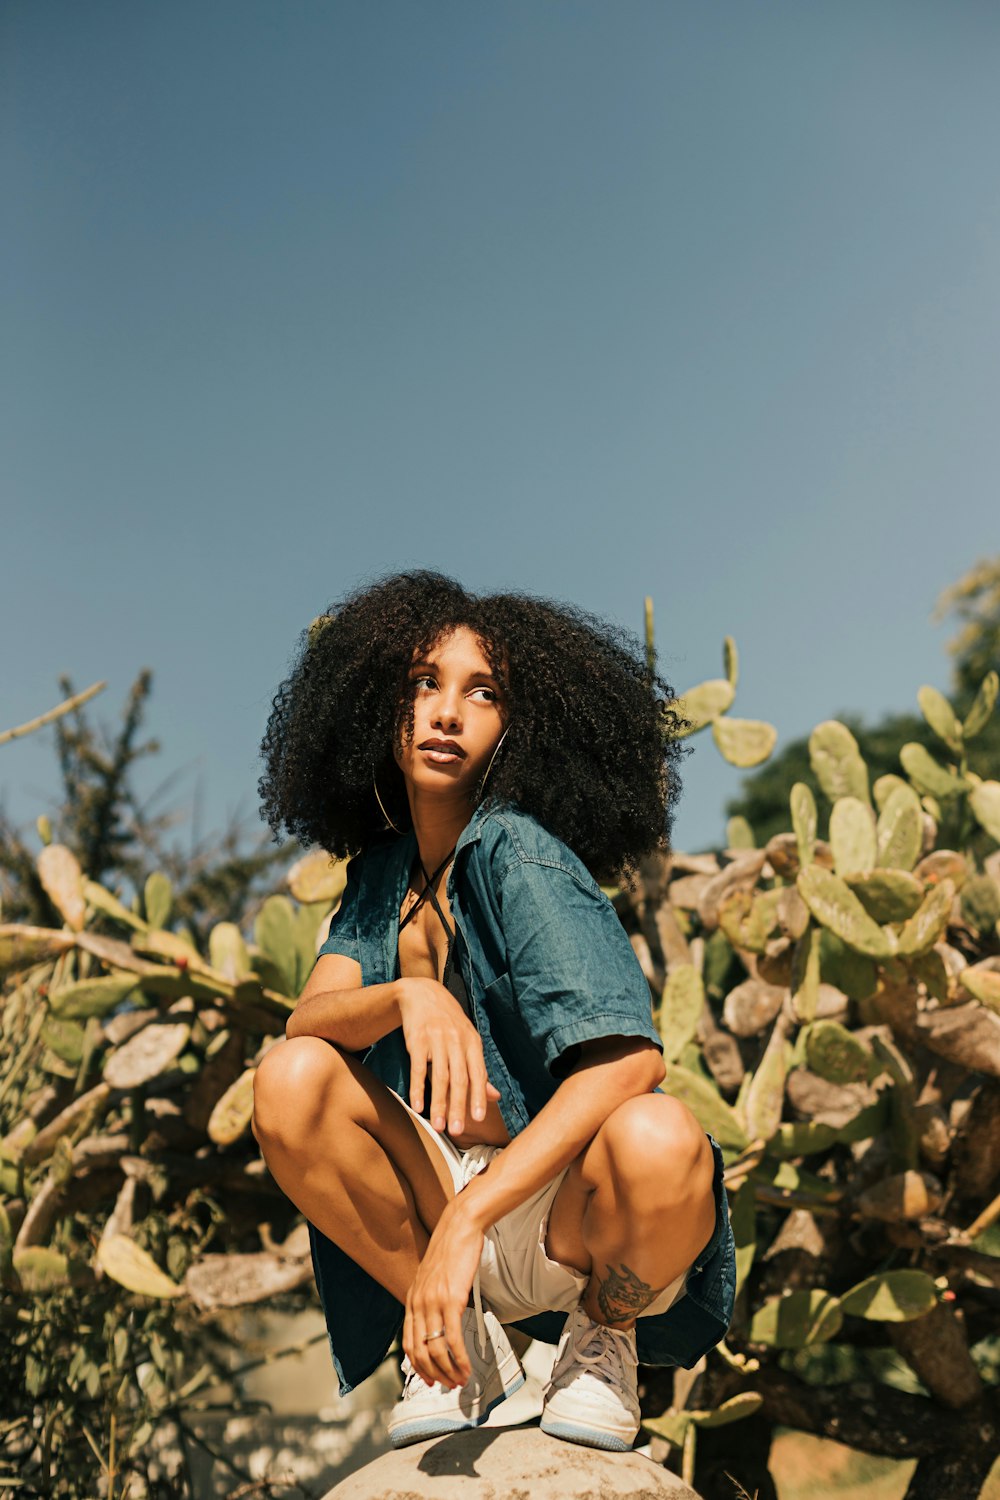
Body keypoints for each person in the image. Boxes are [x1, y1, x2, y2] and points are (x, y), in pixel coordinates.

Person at [252, 570, 735, 1453]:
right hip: (439, 1199)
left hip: (563, 1213)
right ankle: (464, 1347)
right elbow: (304, 1028)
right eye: (423, 685)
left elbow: (630, 1065)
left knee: (663, 1135)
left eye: (483, 692)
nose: (446, 712)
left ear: (518, 726)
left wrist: (471, 1223)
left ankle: (602, 1340)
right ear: (374, 708)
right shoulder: (380, 876)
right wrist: (410, 994)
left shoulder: (519, 852)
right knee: (289, 1083)